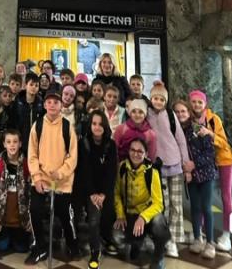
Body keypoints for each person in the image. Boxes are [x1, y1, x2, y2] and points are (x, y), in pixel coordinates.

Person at [25, 89, 80, 264]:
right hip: (41, 179)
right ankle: (40, 247)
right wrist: (37, 177)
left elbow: (73, 156)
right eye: (49, 102)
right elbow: (32, 154)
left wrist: (61, 172)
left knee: (65, 214)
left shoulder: (67, 127)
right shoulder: (37, 125)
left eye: (56, 102)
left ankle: (72, 244)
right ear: (44, 105)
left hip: (62, 180)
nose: (52, 105)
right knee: (35, 210)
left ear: (61, 105)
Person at [147, 83, 193, 258]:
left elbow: (181, 140)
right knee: (162, 206)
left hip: (175, 165)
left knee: (176, 204)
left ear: (165, 101)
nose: (158, 102)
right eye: (155, 98)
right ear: (151, 99)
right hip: (157, 167)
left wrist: (186, 165)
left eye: (161, 99)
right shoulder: (147, 114)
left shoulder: (171, 115)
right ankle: (163, 238)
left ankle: (173, 239)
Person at [189, 89, 232, 253]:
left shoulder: (213, 119)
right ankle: (199, 231)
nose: (197, 105)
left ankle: (227, 235)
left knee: (226, 196)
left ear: (205, 104)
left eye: (200, 102)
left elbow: (224, 143)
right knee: (203, 196)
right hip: (206, 163)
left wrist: (209, 133)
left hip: (224, 160)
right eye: (194, 102)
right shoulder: (190, 120)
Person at [114, 137, 170, 269]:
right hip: (129, 214)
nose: (136, 154)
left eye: (140, 151)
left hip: (147, 215)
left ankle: (158, 258)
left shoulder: (152, 172)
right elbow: (117, 194)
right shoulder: (122, 168)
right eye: (133, 150)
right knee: (116, 235)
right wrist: (120, 215)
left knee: (159, 224)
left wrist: (143, 217)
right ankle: (137, 242)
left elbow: (158, 203)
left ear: (146, 154)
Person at [174, 98, 218, 260]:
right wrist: (186, 169)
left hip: (206, 173)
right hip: (190, 175)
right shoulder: (176, 130)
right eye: (177, 112)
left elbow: (210, 153)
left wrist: (195, 164)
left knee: (206, 207)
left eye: (183, 111)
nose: (180, 114)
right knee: (195, 207)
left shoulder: (198, 128)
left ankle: (210, 242)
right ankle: (197, 238)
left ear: (189, 112)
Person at [77, 110, 118, 266]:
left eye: (100, 124)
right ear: (90, 125)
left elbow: (111, 172)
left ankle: (106, 238)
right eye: (94, 123)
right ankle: (95, 252)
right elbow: (84, 172)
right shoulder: (83, 144)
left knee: (109, 213)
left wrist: (103, 194)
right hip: (89, 190)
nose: (97, 127)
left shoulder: (111, 145)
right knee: (94, 219)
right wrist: (93, 194)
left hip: (105, 190)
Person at [0, 129, 32, 252]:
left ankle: (17, 237)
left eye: (15, 141)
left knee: (21, 248)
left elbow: (31, 194)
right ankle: (6, 236)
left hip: (20, 220)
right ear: (4, 144)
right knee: (1, 247)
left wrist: (30, 219)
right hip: (3, 219)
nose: (12, 145)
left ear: (20, 144)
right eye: (8, 142)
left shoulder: (27, 165)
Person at [15, 72, 43, 153]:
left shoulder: (41, 103)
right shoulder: (17, 102)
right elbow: (14, 122)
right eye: (31, 84)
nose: (34, 87)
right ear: (25, 85)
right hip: (21, 142)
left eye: (36, 85)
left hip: (37, 142)